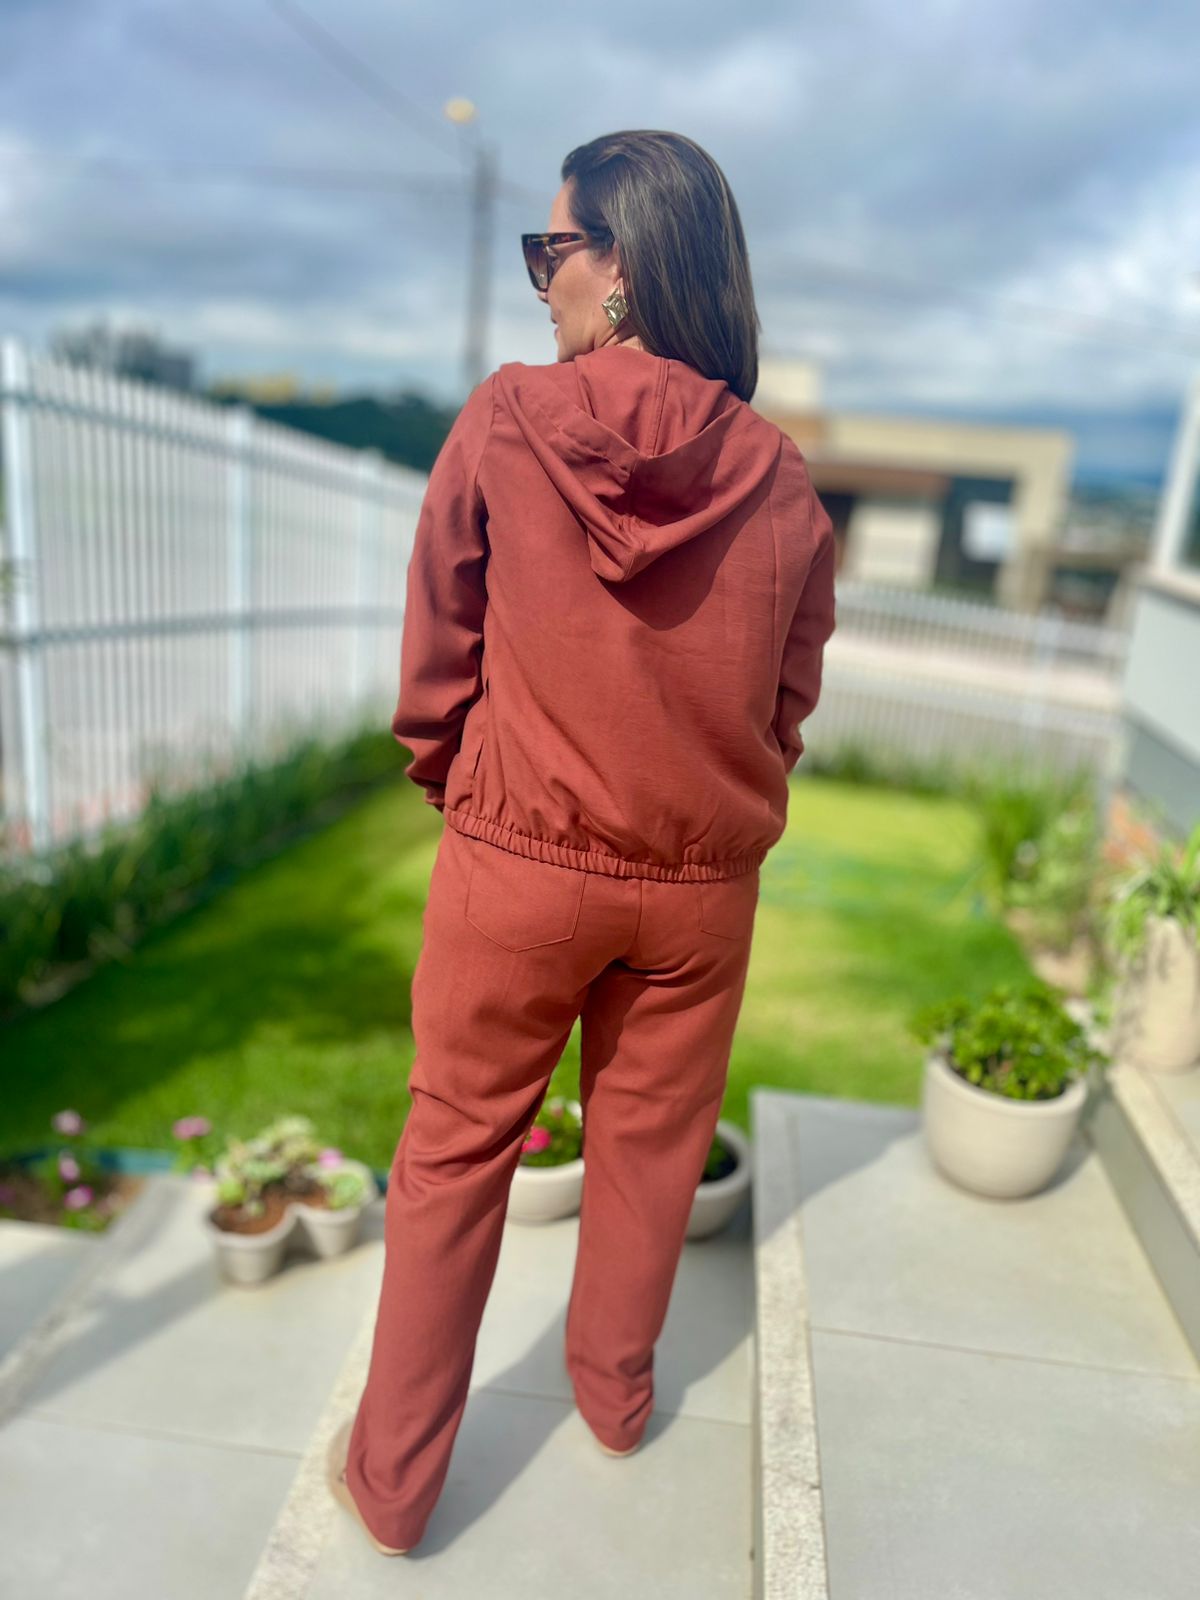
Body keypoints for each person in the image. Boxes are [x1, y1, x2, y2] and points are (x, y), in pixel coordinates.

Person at [325, 128, 838, 1557]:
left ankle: (394, 1487)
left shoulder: (510, 418)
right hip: (700, 893)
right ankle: (615, 1404)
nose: (540, 279)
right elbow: (787, 696)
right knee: (651, 1155)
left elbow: (438, 646)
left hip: (521, 864)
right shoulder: (783, 481)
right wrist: (717, 806)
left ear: (623, 266)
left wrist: (466, 787)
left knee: (452, 1156)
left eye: (553, 249)